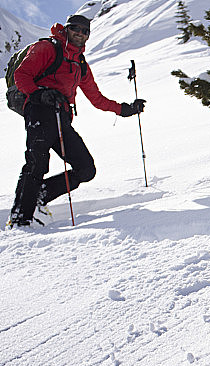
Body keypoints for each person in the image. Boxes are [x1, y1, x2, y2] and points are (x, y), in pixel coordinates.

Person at [7, 14, 146, 228]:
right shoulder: (47, 48)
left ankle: (39, 194)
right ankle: (20, 219)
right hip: (39, 111)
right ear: (67, 29)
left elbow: (96, 98)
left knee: (86, 168)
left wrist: (125, 109)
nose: (79, 33)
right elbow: (21, 74)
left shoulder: (80, 64)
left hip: (62, 118)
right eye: (75, 28)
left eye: (84, 31)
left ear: (88, 36)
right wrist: (39, 94)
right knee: (36, 164)